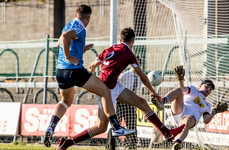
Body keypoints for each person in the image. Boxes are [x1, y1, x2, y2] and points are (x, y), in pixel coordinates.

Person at [55, 27, 185, 150]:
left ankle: (167, 133)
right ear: (133, 41)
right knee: (101, 127)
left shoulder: (109, 49)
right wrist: (153, 92)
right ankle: (67, 143)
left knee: (142, 103)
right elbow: (143, 77)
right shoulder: (128, 53)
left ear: (121, 40)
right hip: (107, 90)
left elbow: (92, 66)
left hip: (112, 85)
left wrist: (93, 80)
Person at [43, 5, 135, 148]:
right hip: (74, 70)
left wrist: (80, 50)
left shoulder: (68, 25)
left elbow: (60, 41)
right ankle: (116, 127)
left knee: (66, 101)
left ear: (75, 14)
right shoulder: (80, 27)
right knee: (105, 91)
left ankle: (50, 127)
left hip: (60, 72)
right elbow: (67, 37)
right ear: (88, 17)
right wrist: (69, 57)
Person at [158, 65, 228, 150]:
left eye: (210, 89)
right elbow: (183, 89)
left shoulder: (207, 105)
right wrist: (180, 80)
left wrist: (214, 112)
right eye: (207, 86)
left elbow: (206, 120)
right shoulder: (194, 90)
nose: (208, 89)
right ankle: (162, 102)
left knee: (187, 122)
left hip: (192, 117)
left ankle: (178, 143)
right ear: (200, 86)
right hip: (181, 109)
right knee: (179, 90)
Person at [116, 56, 142, 149]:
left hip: (131, 103)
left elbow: (137, 90)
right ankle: (112, 143)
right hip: (120, 102)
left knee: (132, 124)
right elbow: (116, 84)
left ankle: (132, 145)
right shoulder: (125, 75)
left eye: (139, 63)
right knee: (116, 123)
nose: (137, 65)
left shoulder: (140, 77)